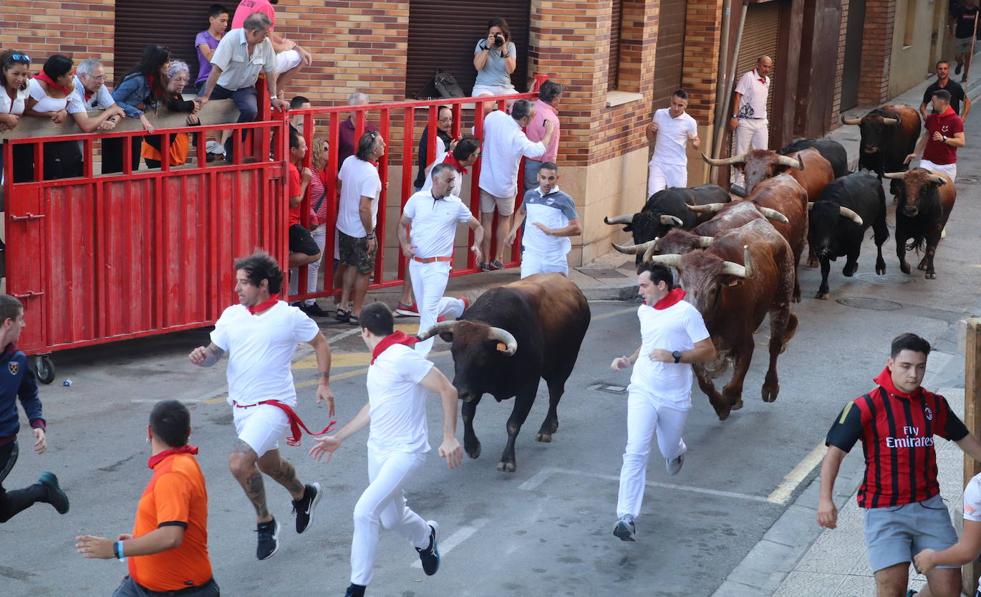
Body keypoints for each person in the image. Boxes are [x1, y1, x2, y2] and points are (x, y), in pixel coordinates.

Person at [309, 302, 464, 597]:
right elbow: (374, 405)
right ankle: (425, 537)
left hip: (406, 452)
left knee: (364, 511)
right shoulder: (380, 359)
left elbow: (448, 389)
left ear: (365, 331)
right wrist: (339, 437)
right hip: (377, 450)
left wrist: (448, 436)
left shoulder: (403, 357)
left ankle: (356, 588)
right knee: (391, 517)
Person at [188, 251, 334, 561]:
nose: (237, 289)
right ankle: (303, 494)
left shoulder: (289, 316)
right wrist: (204, 357)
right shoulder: (232, 315)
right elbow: (215, 353)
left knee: (239, 463)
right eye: (237, 282)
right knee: (268, 466)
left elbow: (320, 342)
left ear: (263, 285)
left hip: (274, 405)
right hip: (242, 408)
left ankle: (265, 522)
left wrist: (323, 381)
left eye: (243, 283)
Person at [817, 332, 981, 597]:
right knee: (891, 587)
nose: (914, 375)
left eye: (920, 367)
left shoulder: (934, 404)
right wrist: (826, 500)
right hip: (884, 511)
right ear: (890, 363)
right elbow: (834, 454)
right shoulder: (864, 406)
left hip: (929, 507)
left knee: (949, 589)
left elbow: (965, 440)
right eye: (906, 366)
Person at [609, 263, 716, 542]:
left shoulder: (686, 313)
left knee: (667, 446)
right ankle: (626, 517)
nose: (639, 290)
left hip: (674, 397)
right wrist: (628, 360)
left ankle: (676, 450)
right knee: (635, 451)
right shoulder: (644, 311)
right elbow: (648, 341)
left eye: (644, 285)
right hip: (642, 389)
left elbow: (708, 351)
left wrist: (675, 356)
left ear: (661, 285)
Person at [75, 400, 219, 597]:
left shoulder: (172, 475)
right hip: (143, 587)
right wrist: (141, 539)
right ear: (188, 432)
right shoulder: (180, 463)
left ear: (150, 432)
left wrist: (116, 548)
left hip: (177, 591)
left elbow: (171, 536)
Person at [398, 163, 483, 356]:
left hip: (439, 265)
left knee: (427, 312)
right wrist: (404, 245)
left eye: (453, 180)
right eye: (449, 180)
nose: (453, 184)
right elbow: (402, 224)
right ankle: (459, 305)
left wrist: (476, 245)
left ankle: (419, 356)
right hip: (416, 264)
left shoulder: (456, 204)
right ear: (436, 180)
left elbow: (478, 227)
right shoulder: (417, 199)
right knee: (426, 309)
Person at [0, 294, 69, 523]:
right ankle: (43, 490)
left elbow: (29, 394)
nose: (24, 324)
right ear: (8, 323)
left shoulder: (17, 361)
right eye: (21, 319)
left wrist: (37, 423)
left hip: (4, 446)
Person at [197, 13, 290, 160]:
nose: (267, 37)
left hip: (244, 88)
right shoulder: (231, 39)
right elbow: (216, 69)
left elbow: (271, 70)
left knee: (250, 111)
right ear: (253, 32)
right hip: (221, 85)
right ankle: (200, 147)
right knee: (198, 109)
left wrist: (273, 97)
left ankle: (232, 145)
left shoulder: (265, 44)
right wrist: (207, 96)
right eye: (265, 33)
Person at [477, 99, 553, 271]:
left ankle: (486, 260)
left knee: (486, 220)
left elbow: (477, 130)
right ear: (525, 119)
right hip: (505, 186)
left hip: (486, 181)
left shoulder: (495, 116)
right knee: (504, 220)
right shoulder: (519, 137)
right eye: (532, 117)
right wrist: (549, 132)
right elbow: (537, 150)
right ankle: (498, 257)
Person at [23, 54, 123, 180]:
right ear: (59, 77)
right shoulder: (36, 87)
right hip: (29, 138)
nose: (73, 76)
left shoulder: (70, 86)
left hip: (58, 140)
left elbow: (117, 109)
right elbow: (23, 111)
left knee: (69, 170)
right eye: (70, 74)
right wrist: (108, 113)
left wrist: (64, 111)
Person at [336, 131, 384, 325]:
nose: (385, 145)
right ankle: (357, 311)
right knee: (364, 271)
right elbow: (364, 207)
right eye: (381, 143)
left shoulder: (349, 161)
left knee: (349, 265)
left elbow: (340, 184)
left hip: (344, 225)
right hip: (360, 230)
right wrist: (370, 235)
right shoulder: (370, 173)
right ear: (373, 150)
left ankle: (343, 306)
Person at [506, 162, 581, 278]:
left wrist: (551, 231)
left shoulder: (565, 199)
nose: (547, 182)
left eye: (551, 178)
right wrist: (514, 229)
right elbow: (521, 212)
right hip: (531, 255)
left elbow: (576, 229)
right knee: (528, 293)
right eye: (543, 178)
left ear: (557, 178)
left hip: (554, 256)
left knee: (556, 295)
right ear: (538, 177)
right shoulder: (530, 195)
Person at [107, 45, 172, 174]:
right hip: (118, 130)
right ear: (157, 63)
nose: (169, 64)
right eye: (166, 61)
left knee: (132, 170)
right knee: (116, 172)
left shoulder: (155, 80)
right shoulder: (137, 79)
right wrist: (139, 114)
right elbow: (113, 100)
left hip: (134, 130)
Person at [290, 132, 332, 318]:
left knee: (315, 263)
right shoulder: (309, 173)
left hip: (322, 223)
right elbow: (302, 198)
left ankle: (310, 300)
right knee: (305, 260)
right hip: (308, 223)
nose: (329, 152)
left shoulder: (327, 172)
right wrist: (311, 215)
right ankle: (293, 299)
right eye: (325, 149)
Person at [231, 0, 312, 94]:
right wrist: (286, 47)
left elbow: (269, 35)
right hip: (253, 62)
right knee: (300, 58)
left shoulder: (245, 1)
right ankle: (274, 95)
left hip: (239, 57)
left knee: (291, 54)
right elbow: (271, 45)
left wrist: (292, 46)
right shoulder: (265, 5)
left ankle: (276, 91)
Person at [140, 61, 202, 169]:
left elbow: (184, 118)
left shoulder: (178, 97)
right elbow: (171, 105)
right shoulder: (158, 96)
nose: (182, 83)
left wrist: (194, 121)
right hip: (159, 155)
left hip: (175, 156)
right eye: (178, 79)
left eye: (185, 79)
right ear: (167, 79)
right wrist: (190, 104)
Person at [729, 55, 773, 188]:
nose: (766, 69)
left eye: (769, 67)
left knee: (762, 153)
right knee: (741, 152)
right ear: (758, 64)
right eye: (764, 66)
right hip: (745, 121)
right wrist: (734, 116)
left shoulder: (768, 81)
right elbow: (737, 96)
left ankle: (758, 181)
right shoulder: (748, 77)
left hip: (761, 122)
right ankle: (738, 182)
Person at [647, 89, 700, 195]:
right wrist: (649, 129)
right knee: (653, 196)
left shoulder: (690, 122)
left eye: (680, 105)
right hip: (658, 163)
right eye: (674, 104)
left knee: (677, 198)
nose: (676, 108)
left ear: (686, 105)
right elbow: (650, 137)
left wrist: (694, 143)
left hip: (677, 165)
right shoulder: (659, 114)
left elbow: (696, 142)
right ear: (670, 101)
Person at [905, 89, 965, 182]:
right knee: (918, 188)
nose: (932, 105)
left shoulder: (955, 120)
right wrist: (915, 153)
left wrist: (944, 139)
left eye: (933, 102)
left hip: (947, 166)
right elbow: (926, 136)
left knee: (945, 196)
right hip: (928, 162)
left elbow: (961, 142)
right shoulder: (931, 118)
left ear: (942, 101)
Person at [287, 130, 322, 273]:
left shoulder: (290, 167)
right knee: (315, 253)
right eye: (303, 146)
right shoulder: (292, 171)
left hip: (289, 221)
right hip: (291, 223)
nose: (306, 149)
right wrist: (305, 181)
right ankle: (279, 263)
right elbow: (295, 201)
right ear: (293, 150)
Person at [0, 50, 35, 184]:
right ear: (4, 70)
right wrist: (4, 117)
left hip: (10, 138)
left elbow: (22, 111)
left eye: (24, 74)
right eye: (15, 74)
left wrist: (10, 120)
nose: (20, 78)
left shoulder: (26, 86)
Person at [524, 80, 562, 191]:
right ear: (555, 99)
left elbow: (512, 109)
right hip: (538, 164)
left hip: (523, 160)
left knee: (527, 197)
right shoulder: (552, 120)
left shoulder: (528, 107)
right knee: (539, 199)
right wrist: (550, 172)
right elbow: (550, 151)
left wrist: (527, 96)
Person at [472, 17, 518, 97]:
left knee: (521, 104)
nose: (495, 36)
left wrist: (504, 47)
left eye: (498, 34)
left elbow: (511, 70)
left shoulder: (510, 46)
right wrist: (487, 47)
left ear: (504, 34)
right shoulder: (482, 43)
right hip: (484, 87)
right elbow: (478, 66)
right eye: (492, 33)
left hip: (505, 88)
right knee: (487, 105)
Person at [72, 59, 122, 130]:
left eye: (103, 77)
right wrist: (108, 112)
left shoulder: (99, 85)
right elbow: (86, 126)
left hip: (77, 135)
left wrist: (112, 121)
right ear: (83, 77)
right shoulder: (72, 87)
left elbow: (116, 109)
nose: (102, 81)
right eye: (98, 77)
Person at [413, 105, 454, 192]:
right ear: (436, 120)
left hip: (425, 185)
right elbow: (440, 164)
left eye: (450, 119)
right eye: (444, 120)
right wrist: (452, 150)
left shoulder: (432, 130)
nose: (449, 123)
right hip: (430, 188)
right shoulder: (437, 140)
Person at [337, 92, 379, 171]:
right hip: (346, 174)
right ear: (350, 109)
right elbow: (334, 155)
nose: (363, 112)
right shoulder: (340, 128)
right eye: (359, 109)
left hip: (367, 174)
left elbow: (378, 155)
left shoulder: (372, 129)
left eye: (366, 108)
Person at [195, 4, 231, 93]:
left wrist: (214, 50)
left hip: (225, 80)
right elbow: (211, 58)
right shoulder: (202, 36)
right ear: (211, 19)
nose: (225, 24)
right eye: (222, 21)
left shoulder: (228, 36)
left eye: (227, 21)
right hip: (205, 79)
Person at [951, 0, 979, 80]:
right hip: (959, 36)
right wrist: (951, 30)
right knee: (957, 56)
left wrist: (976, 30)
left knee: (968, 56)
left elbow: (979, 21)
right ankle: (960, 62)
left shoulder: (976, 10)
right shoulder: (960, 9)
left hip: (971, 36)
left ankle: (965, 75)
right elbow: (952, 18)